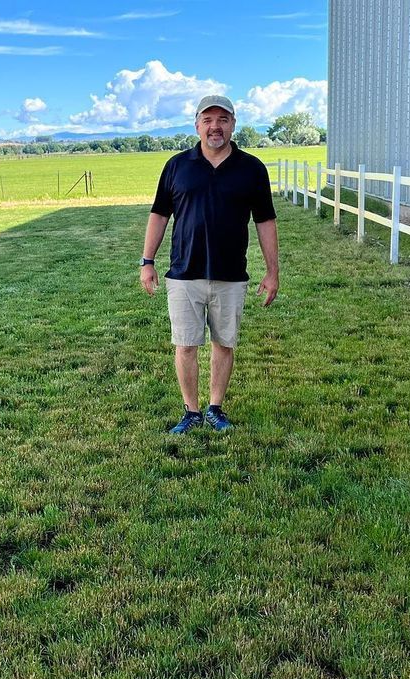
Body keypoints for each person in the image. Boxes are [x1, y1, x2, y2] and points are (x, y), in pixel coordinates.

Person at [139, 94, 279, 434]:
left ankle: (215, 408)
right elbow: (159, 214)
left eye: (222, 119)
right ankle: (191, 411)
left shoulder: (252, 169)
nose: (215, 126)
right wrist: (147, 261)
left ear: (233, 124)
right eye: (208, 120)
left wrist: (272, 271)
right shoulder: (177, 165)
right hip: (184, 273)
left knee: (223, 343)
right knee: (186, 344)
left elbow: (265, 222)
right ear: (197, 125)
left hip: (231, 274)